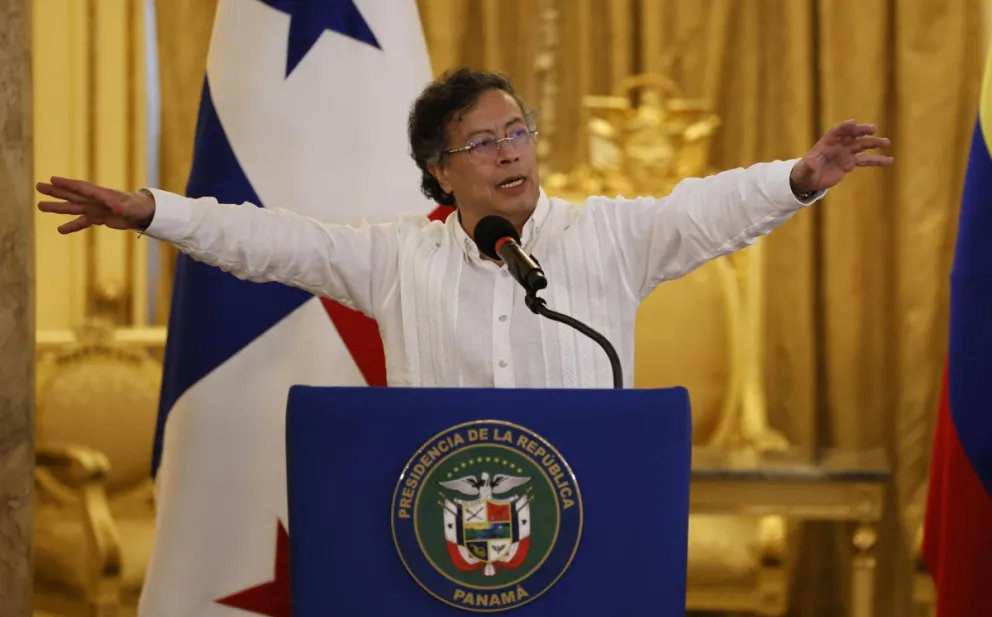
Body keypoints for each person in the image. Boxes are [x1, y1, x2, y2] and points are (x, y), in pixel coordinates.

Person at [36, 68, 892, 389]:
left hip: (587, 524)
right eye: (482, 142)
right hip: (443, 543)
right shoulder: (396, 260)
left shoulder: (610, 237)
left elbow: (703, 211)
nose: (508, 152)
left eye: (517, 130)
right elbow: (274, 242)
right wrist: (153, 211)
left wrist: (798, 177)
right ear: (441, 170)